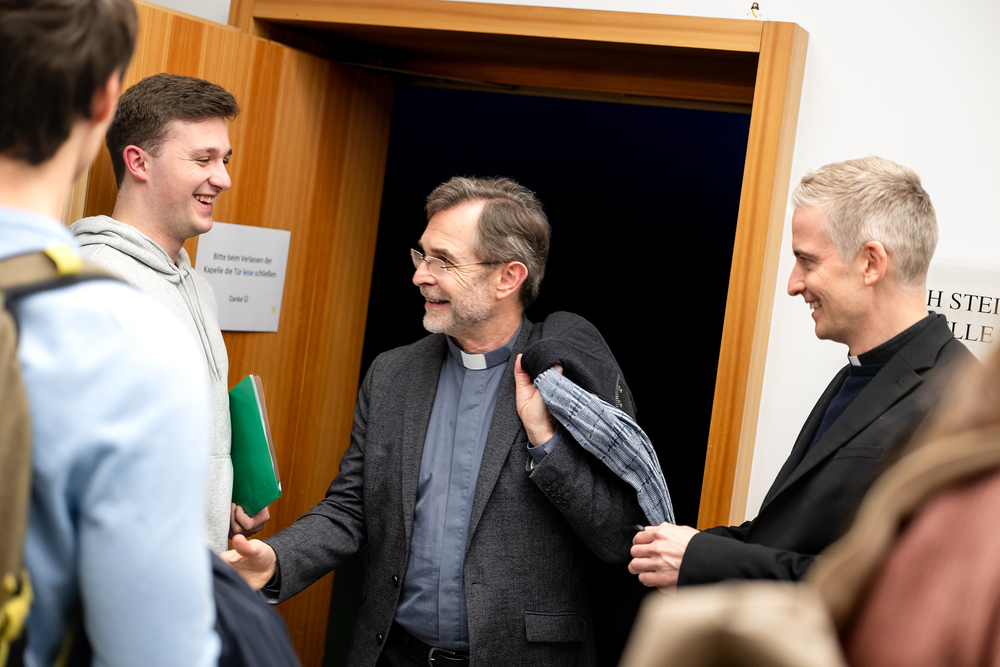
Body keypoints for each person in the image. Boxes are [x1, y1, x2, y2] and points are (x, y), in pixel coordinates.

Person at [222, 176, 645, 666]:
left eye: (443, 261)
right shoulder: (393, 374)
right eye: (421, 256)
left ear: (508, 277)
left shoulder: (566, 377)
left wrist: (545, 440)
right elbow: (351, 507)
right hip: (393, 654)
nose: (421, 276)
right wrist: (276, 560)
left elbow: (617, 536)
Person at [629, 156, 973, 589]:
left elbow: (899, 587)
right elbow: (786, 537)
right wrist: (670, 549)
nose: (793, 284)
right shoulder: (858, 375)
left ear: (871, 263)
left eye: (807, 262)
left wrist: (702, 559)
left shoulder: (960, 400)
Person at [0, 0, 219, 663]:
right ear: (103, 101)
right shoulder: (125, 341)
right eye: (205, 157)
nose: (221, 177)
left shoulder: (166, 305)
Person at [69, 73, 269, 554]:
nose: (223, 178)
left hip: (192, 568)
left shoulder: (197, 285)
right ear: (138, 162)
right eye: (203, 159)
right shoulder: (94, 283)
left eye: (224, 159)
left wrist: (220, 503)